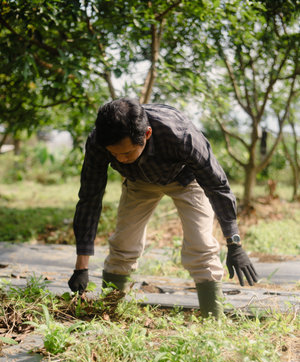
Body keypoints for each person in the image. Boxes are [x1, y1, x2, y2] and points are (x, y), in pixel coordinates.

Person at [68, 98, 258, 318]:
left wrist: (234, 243)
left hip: (187, 180)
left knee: (201, 245)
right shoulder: (99, 141)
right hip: (138, 181)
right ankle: (109, 312)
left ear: (146, 134)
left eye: (127, 153)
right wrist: (81, 266)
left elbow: (217, 186)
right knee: (123, 243)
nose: (120, 158)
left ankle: (213, 321)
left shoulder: (181, 135)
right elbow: (90, 197)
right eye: (115, 154)